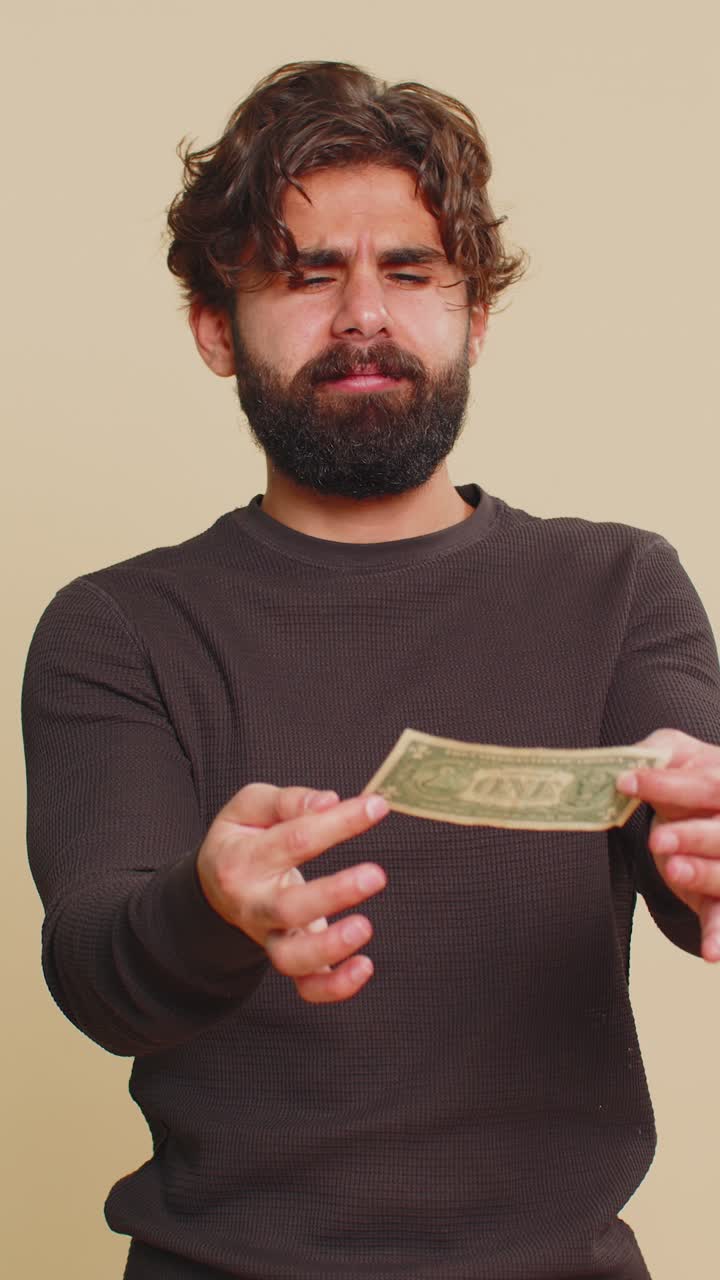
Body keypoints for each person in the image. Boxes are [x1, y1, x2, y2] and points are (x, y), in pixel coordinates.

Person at [21, 59, 720, 1280]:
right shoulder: (118, 626)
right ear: (213, 327)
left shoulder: (620, 586)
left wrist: (705, 848)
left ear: (475, 316)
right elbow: (98, 971)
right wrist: (210, 904)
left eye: (410, 272)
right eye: (304, 276)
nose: (362, 315)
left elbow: (689, 840)